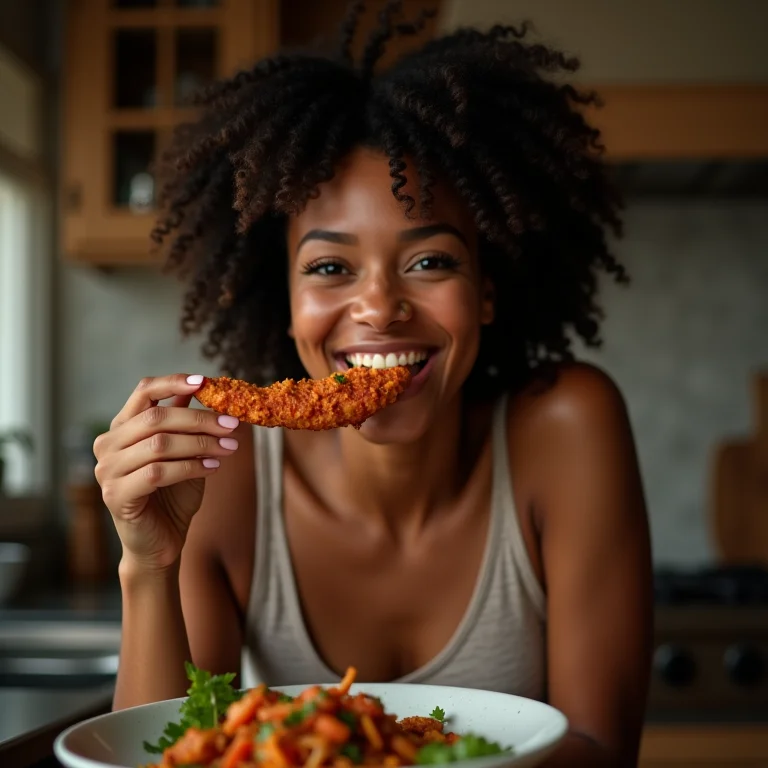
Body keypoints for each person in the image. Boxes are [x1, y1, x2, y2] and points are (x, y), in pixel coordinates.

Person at [93, 3, 653, 766]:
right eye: (330, 267)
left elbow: (599, 750)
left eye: (430, 262)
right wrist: (148, 566)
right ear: (286, 305)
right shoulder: (223, 468)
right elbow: (159, 754)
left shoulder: (566, 426)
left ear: (487, 289)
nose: (381, 307)